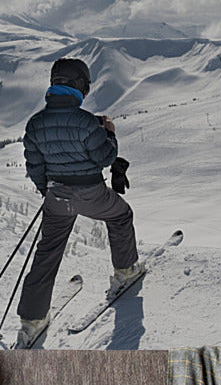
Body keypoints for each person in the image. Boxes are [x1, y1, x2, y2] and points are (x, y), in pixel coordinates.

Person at [14, 57, 141, 347]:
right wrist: (109, 132)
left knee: (47, 253)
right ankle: (125, 272)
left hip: (56, 196)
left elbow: (34, 166)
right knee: (120, 215)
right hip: (91, 194)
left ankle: (32, 321)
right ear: (80, 87)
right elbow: (105, 157)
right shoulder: (86, 122)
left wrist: (45, 189)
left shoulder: (35, 124)